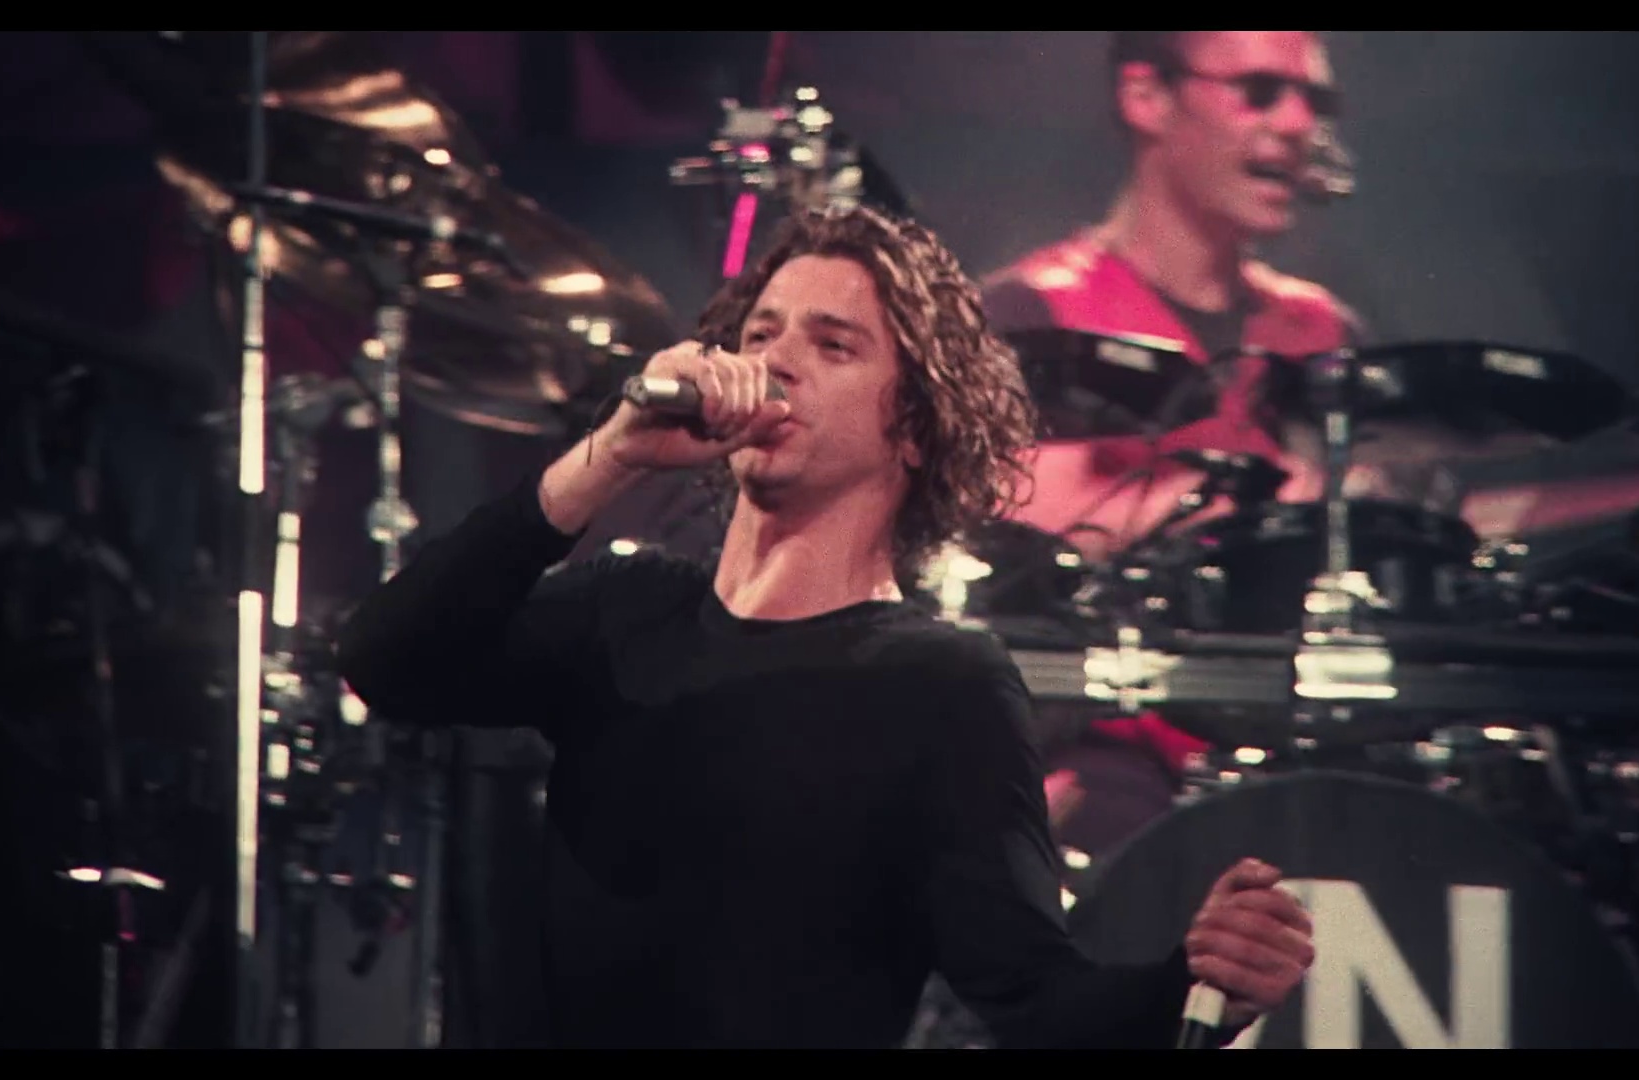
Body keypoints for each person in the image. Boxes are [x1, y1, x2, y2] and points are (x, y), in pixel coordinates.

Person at [334, 203, 1313, 1049]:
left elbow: (1036, 1000)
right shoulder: (622, 610)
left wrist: (1195, 987)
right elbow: (387, 658)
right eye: (760, 334)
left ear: (914, 427)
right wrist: (610, 454)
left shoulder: (940, 686)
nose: (774, 362)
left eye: (832, 344)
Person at [977, 30, 1368, 859]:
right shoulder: (1028, 312)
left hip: (1300, 738)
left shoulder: (1323, 331)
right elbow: (1011, 517)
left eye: (1315, 100)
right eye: (1259, 92)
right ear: (1146, 97)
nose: (1298, 123)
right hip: (1109, 747)